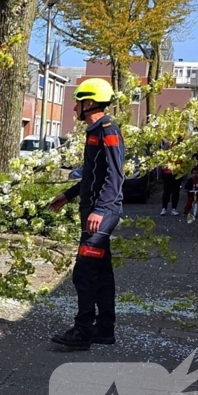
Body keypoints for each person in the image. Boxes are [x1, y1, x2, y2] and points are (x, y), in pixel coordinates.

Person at [48, 78, 125, 350]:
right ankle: (104, 329)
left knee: (84, 271)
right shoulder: (95, 131)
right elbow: (94, 176)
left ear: (89, 103)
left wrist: (101, 210)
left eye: (78, 102)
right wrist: (68, 195)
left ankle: (82, 332)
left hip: (102, 214)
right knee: (101, 272)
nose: (74, 109)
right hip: (95, 210)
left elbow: (115, 176)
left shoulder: (107, 131)